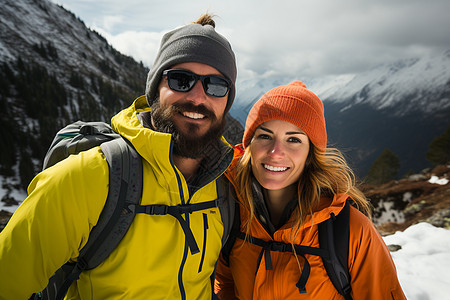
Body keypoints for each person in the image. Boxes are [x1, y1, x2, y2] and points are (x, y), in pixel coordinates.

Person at [0, 13, 237, 299]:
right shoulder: (88, 178)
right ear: (155, 90)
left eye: (216, 85)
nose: (198, 97)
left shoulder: (225, 188)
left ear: (227, 100)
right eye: (181, 80)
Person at [214, 81, 407, 299]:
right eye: (265, 136)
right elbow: (226, 287)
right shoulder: (232, 212)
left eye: (293, 139)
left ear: (310, 154)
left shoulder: (349, 230)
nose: (276, 152)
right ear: (249, 145)